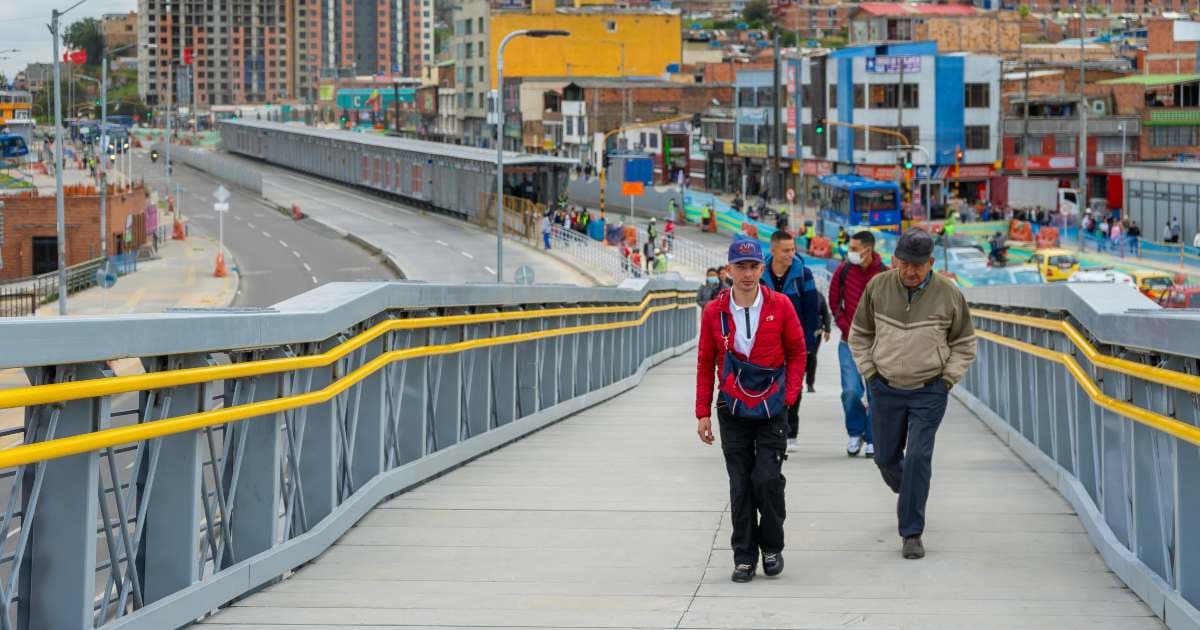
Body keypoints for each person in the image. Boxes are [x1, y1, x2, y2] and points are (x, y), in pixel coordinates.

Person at [848, 228, 977, 560]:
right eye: (904, 263)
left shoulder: (949, 293)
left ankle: (911, 533)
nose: (910, 271)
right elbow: (859, 334)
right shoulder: (878, 287)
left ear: (930, 263)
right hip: (885, 387)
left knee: (919, 457)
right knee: (885, 458)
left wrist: (946, 380)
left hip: (928, 390)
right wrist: (871, 373)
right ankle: (909, 492)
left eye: (918, 265)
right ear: (894, 260)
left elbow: (964, 343)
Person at [695, 238, 806, 583]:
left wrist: (788, 396)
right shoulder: (715, 311)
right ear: (728, 270)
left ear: (762, 268)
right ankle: (744, 556)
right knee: (740, 484)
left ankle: (772, 546)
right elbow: (705, 361)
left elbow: (798, 353)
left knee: (768, 480)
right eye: (739, 267)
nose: (747, 274)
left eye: (753, 267)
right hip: (732, 407)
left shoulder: (782, 305)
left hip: (773, 408)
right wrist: (702, 413)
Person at [828, 230, 886, 458]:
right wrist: (846, 328)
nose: (849, 252)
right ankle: (855, 432)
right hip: (848, 343)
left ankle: (872, 438)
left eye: (853, 248)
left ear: (867, 250)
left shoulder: (885, 274)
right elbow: (834, 303)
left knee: (876, 394)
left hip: (878, 345)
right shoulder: (843, 271)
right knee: (850, 391)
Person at [761, 230, 821, 453]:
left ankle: (790, 431)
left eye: (793, 250)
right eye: (786, 250)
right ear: (773, 250)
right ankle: (769, 431)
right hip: (765, 344)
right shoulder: (759, 274)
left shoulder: (803, 275)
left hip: (795, 344)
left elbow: (811, 311)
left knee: (792, 388)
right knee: (767, 387)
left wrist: (807, 345)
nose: (790, 254)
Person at [808, 290, 832, 393]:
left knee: (812, 357)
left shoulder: (819, 295)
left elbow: (825, 313)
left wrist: (827, 329)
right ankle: (797, 383)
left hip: (816, 332)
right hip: (799, 331)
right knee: (799, 358)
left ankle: (810, 384)